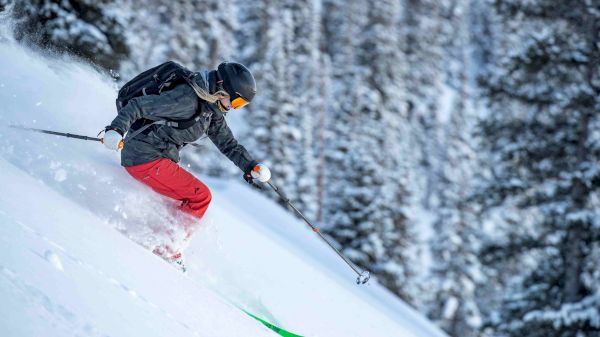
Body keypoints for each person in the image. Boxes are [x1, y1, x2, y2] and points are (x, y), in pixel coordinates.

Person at [101, 61, 271, 267]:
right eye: (236, 103)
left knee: (180, 201)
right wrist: (116, 130)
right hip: (144, 157)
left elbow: (227, 143)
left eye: (240, 106)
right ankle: (167, 250)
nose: (233, 108)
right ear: (222, 89)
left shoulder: (210, 110)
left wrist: (250, 166)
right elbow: (138, 106)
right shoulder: (187, 100)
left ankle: (152, 237)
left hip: (158, 156)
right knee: (200, 197)